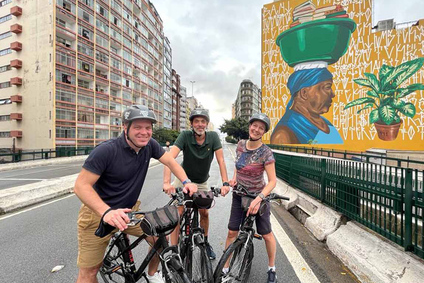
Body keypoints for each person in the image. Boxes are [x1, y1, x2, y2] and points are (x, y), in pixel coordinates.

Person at [74, 104, 197, 283]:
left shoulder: (149, 145)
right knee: (89, 272)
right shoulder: (107, 150)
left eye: (148, 128)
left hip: (129, 212)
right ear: (125, 127)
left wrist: (186, 182)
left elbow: (170, 161)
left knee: (157, 239)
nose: (144, 132)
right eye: (138, 127)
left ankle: (152, 275)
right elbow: (81, 186)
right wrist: (107, 212)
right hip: (98, 215)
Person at [163, 108, 230, 260]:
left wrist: (225, 183)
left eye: (203, 121)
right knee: (178, 213)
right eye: (196, 121)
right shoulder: (185, 135)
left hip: (201, 182)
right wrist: (167, 183)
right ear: (192, 123)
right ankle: (174, 251)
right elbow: (169, 159)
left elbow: (221, 161)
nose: (200, 124)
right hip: (183, 179)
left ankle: (205, 242)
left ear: (207, 123)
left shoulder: (213, 137)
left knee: (204, 212)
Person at [223, 113, 279, 283]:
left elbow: (272, 181)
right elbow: (238, 166)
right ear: (250, 126)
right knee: (232, 231)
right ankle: (225, 268)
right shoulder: (240, 145)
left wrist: (260, 198)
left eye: (261, 128)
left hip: (258, 197)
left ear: (264, 132)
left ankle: (272, 269)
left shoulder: (266, 152)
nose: (256, 129)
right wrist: (233, 179)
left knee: (267, 234)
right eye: (254, 125)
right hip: (239, 195)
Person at [270, 66, 343, 145]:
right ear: (304, 93)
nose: (333, 94)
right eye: (327, 87)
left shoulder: (327, 124)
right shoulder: (283, 135)